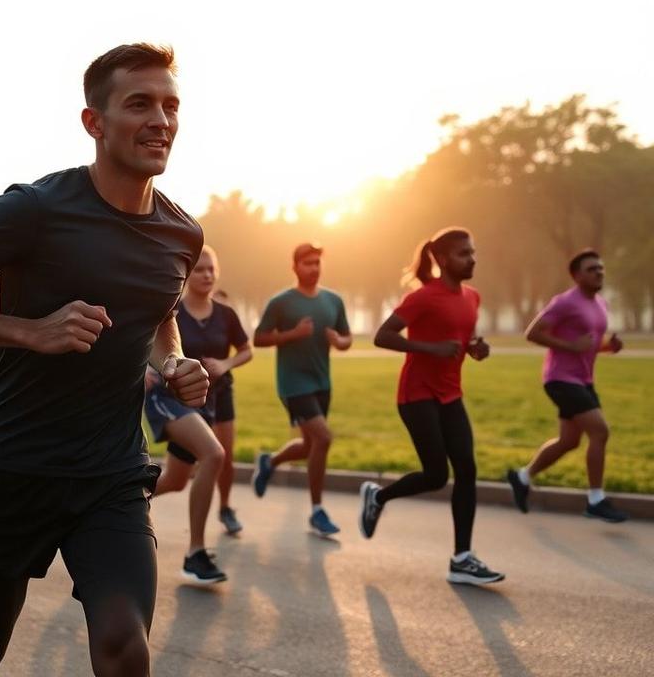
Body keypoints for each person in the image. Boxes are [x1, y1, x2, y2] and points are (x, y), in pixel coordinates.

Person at [0, 43, 207, 677]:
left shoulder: (182, 233)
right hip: (17, 463)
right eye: (139, 104)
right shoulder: (35, 208)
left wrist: (173, 362)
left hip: (110, 474)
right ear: (95, 122)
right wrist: (30, 331)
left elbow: (161, 316)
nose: (161, 120)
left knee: (124, 644)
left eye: (171, 105)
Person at [358, 227, 504, 585]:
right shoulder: (423, 297)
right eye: (462, 254)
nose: (471, 259)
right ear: (441, 259)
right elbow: (383, 336)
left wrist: (475, 348)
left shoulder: (473, 297)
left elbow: (461, 337)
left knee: (466, 470)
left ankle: (462, 558)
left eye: (472, 252)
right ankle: (378, 496)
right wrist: (430, 348)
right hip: (417, 394)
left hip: (451, 393)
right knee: (437, 475)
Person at [507, 250, 628, 522]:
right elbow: (533, 332)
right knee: (600, 431)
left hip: (583, 380)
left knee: (569, 441)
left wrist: (610, 347)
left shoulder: (600, 304)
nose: (599, 272)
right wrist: (570, 346)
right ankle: (596, 499)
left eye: (601, 268)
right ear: (576, 275)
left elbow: (589, 345)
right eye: (591, 269)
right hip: (560, 379)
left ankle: (522, 476)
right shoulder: (565, 302)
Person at [252, 243, 351, 535]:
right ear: (295, 267)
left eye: (317, 263)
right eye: (308, 263)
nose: (314, 268)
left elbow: (347, 338)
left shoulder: (334, 300)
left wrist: (338, 341)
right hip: (293, 383)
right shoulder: (281, 302)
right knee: (324, 438)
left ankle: (270, 461)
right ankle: (317, 511)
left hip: (322, 382)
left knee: (311, 446)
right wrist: (293, 334)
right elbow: (259, 338)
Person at [176, 244, 252, 538]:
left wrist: (226, 363)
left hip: (221, 393)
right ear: (186, 274)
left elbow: (247, 350)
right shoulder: (174, 313)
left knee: (225, 457)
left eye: (212, 270)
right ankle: (133, 503)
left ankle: (225, 507)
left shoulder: (226, 314)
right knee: (179, 474)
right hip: (186, 400)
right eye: (200, 270)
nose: (208, 275)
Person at [143, 365, 227, 583]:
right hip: (167, 396)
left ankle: (111, 504)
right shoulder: (173, 327)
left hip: (201, 400)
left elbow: (246, 350)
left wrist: (226, 364)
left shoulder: (226, 326)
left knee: (175, 480)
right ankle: (195, 554)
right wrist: (144, 367)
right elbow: (146, 332)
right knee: (213, 454)